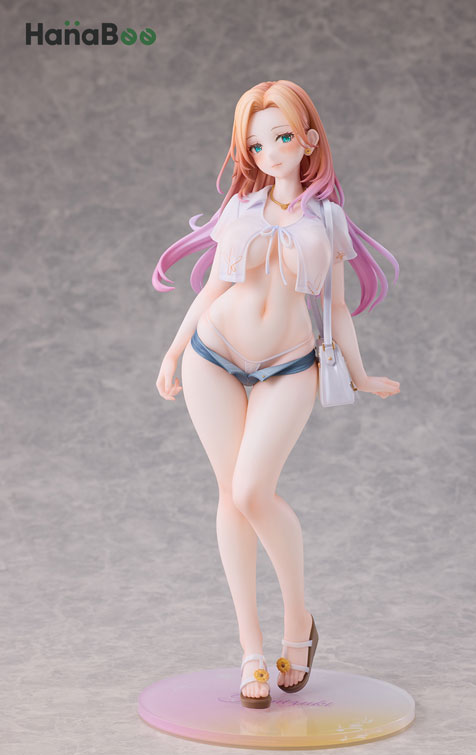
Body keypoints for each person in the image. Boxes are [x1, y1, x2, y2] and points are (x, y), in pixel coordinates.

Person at [153, 80, 400, 709]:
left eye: (282, 137)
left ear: (309, 140)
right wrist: (175, 350)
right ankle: (251, 650)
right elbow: (212, 288)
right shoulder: (241, 207)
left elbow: (336, 308)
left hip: (289, 365)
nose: (268, 152)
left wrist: (361, 373)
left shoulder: (329, 220)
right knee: (229, 498)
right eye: (256, 144)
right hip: (214, 354)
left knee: (252, 491)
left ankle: (299, 619)